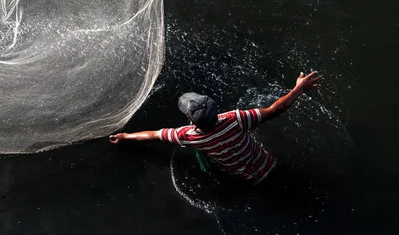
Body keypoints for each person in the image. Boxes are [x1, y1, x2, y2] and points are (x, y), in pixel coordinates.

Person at [109, 71, 322, 185]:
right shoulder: (236, 119)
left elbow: (154, 135)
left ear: (190, 121)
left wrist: (125, 136)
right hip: (271, 165)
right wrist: (298, 88)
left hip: (248, 180)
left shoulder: (190, 136)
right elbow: (276, 109)